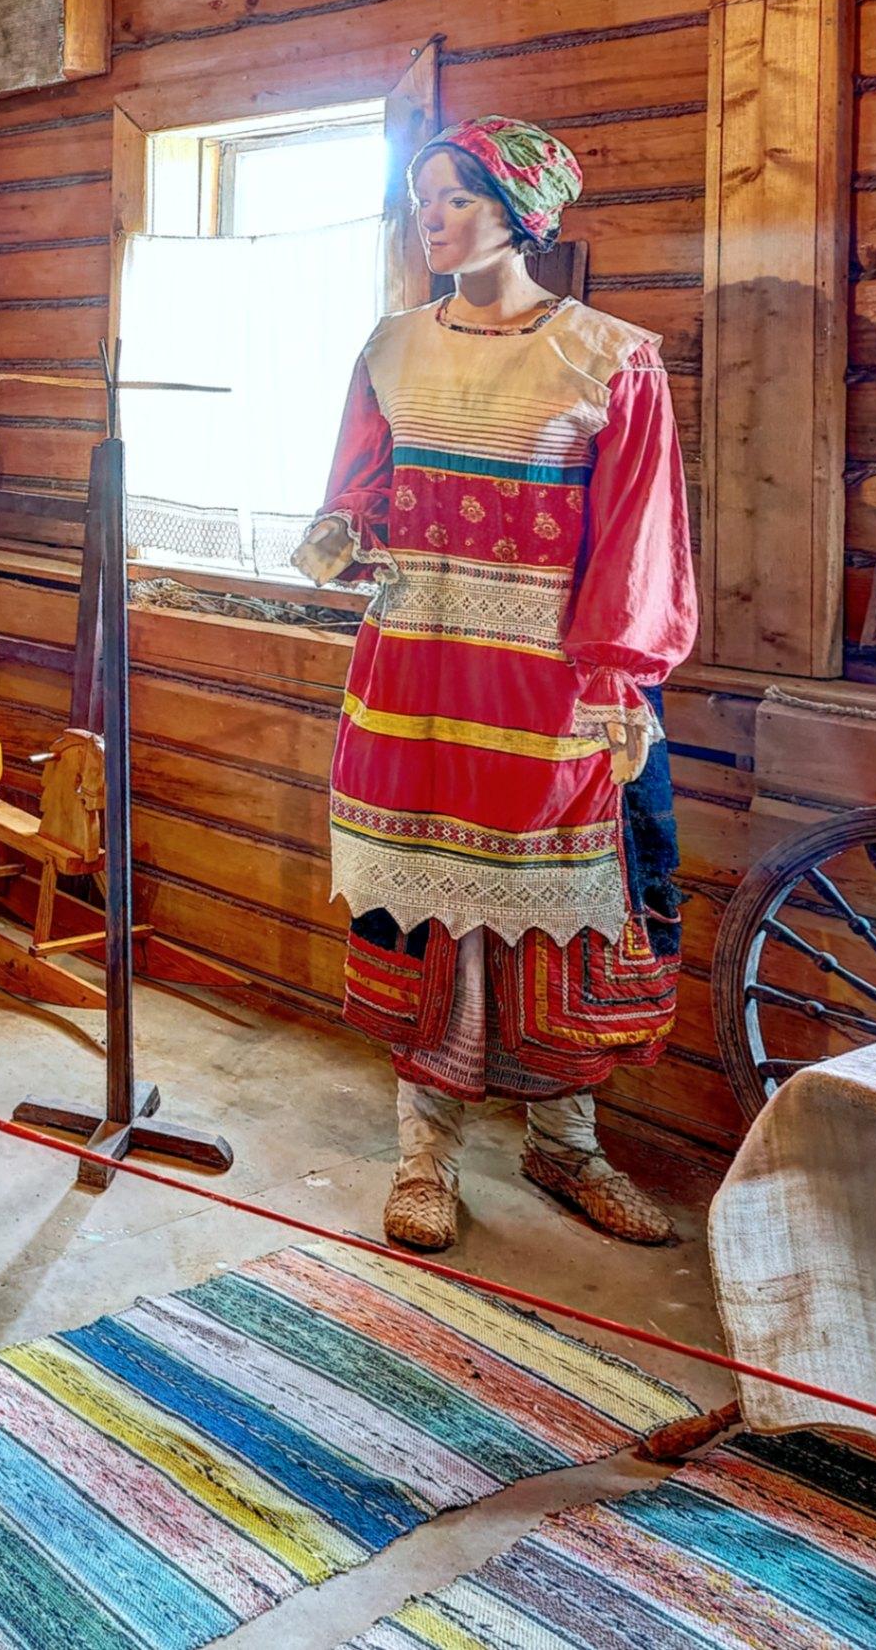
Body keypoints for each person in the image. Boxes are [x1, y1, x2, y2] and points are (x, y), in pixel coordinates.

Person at [293, 116, 697, 1254]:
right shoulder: (390, 348)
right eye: (421, 197)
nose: (430, 217)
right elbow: (363, 489)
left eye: (456, 198)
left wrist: (619, 676)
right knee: (421, 903)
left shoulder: (609, 357)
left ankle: (566, 1144)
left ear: (521, 215)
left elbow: (640, 537)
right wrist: (343, 529)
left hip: (552, 688)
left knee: (566, 917)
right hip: (416, 670)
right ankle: (424, 1155)